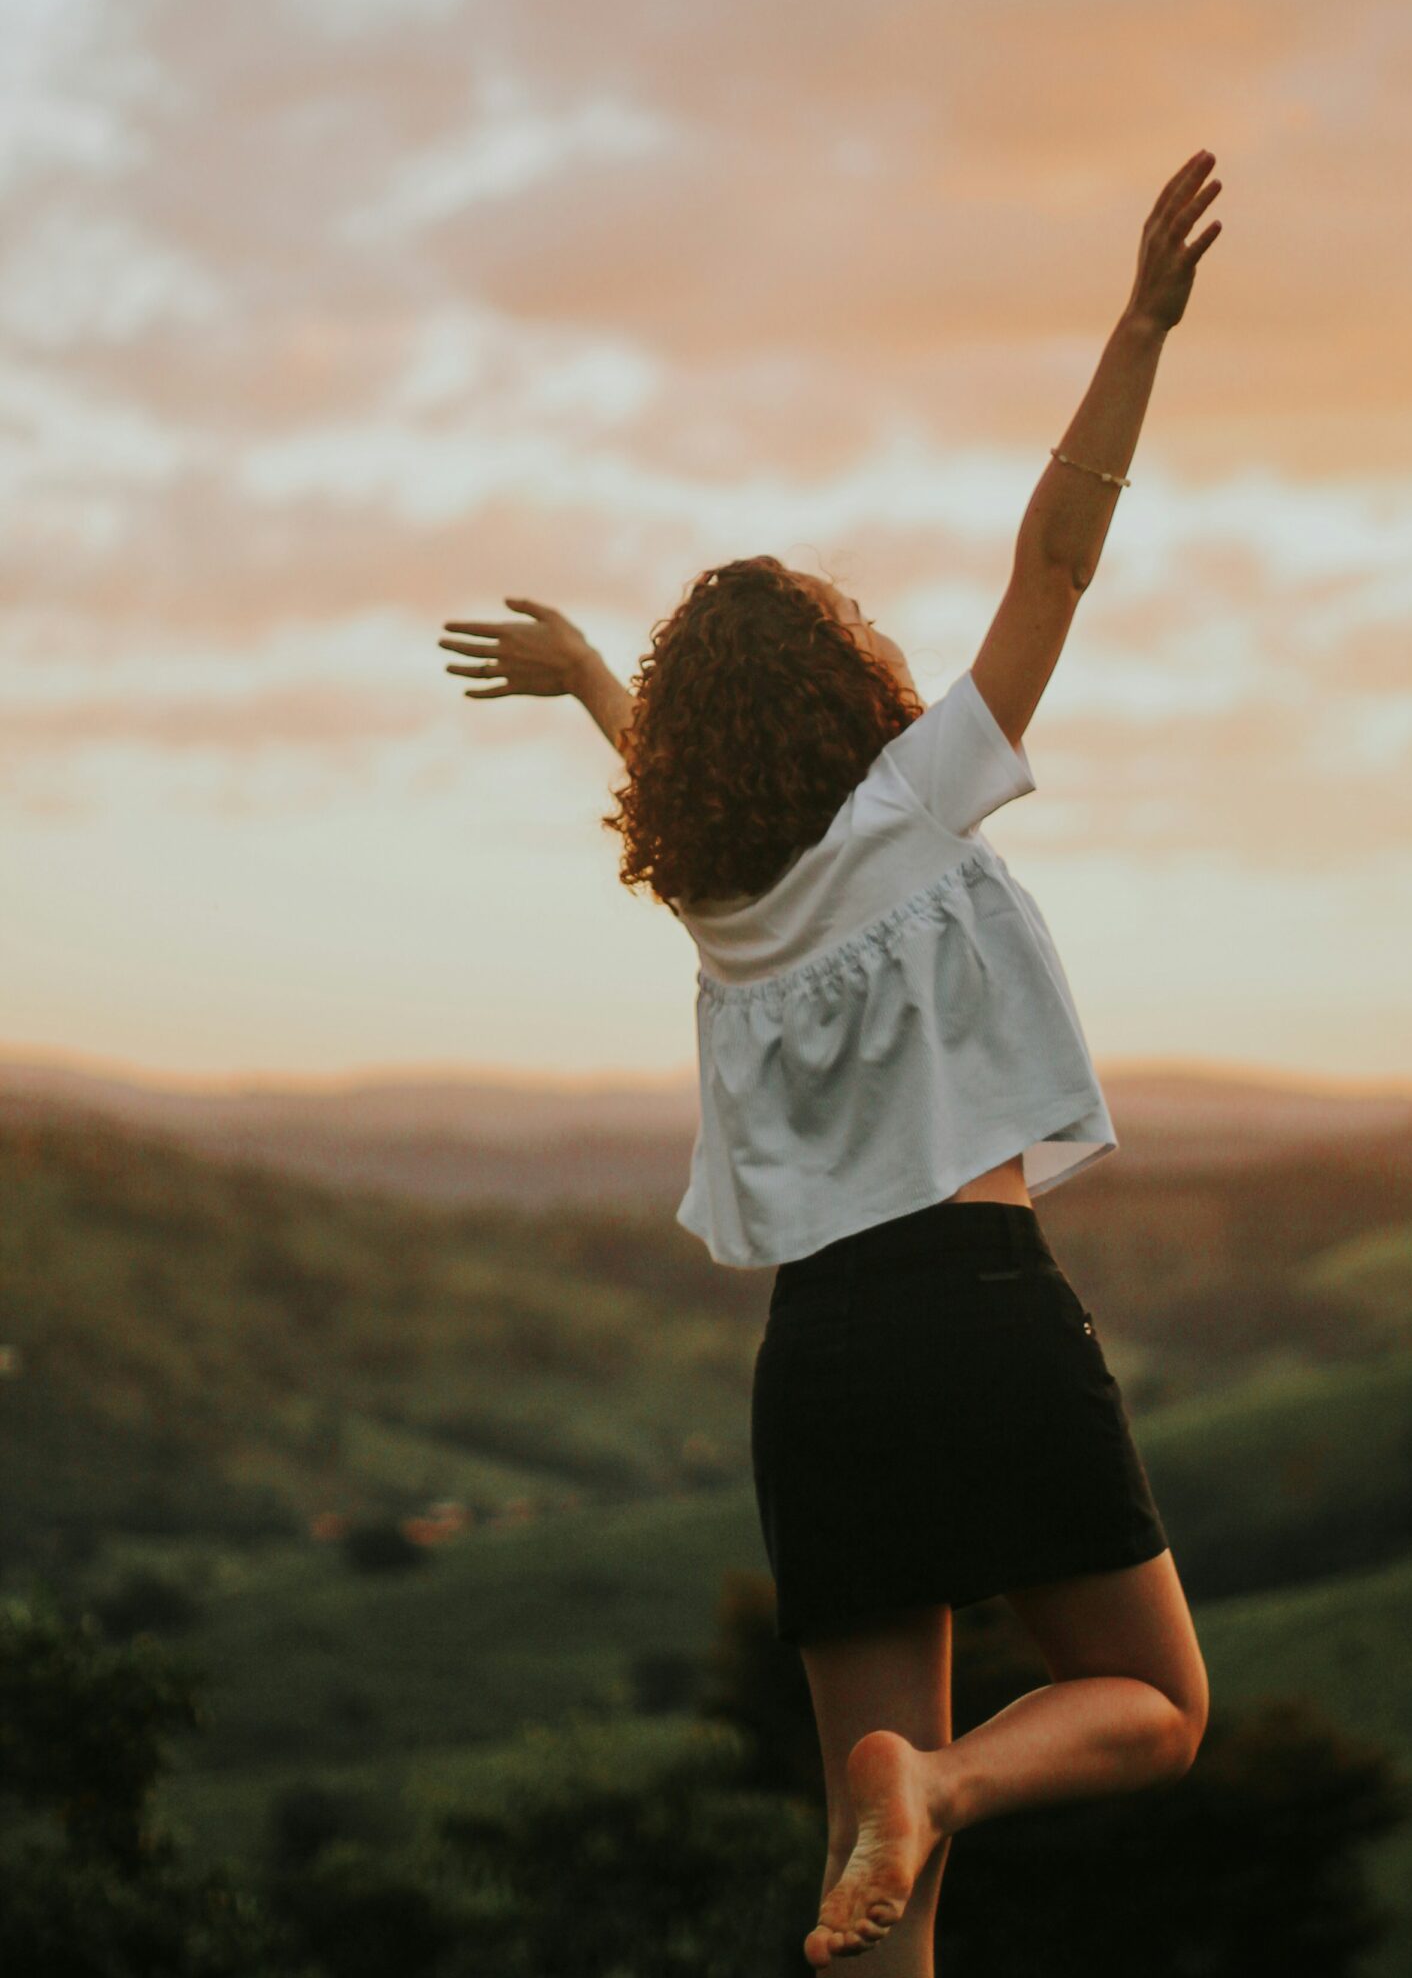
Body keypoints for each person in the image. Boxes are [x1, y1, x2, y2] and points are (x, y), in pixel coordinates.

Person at [439, 148, 1223, 1970]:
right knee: (1156, 1710)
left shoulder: (724, 906)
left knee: (867, 1876)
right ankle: (942, 1786)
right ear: (848, 683)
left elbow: (683, 804)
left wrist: (586, 689)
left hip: (827, 1359)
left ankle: (909, 1799)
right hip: (978, 1304)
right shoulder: (920, 806)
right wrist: (1136, 329)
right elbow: (1058, 555)